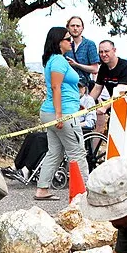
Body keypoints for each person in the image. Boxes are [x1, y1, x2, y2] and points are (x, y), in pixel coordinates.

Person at [37, 27, 91, 201]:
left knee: (55, 152)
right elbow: (56, 87)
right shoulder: (59, 60)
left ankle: (42, 189)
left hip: (50, 112)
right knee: (77, 152)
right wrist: (60, 114)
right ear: (59, 42)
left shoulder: (53, 60)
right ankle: (87, 192)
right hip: (63, 113)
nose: (71, 41)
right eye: (68, 39)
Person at [90, 40, 127, 168]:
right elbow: (97, 88)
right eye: (101, 52)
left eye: (106, 51)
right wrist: (87, 104)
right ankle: (119, 168)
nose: (103, 54)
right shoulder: (103, 68)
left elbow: (121, 92)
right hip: (116, 106)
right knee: (116, 137)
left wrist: (104, 107)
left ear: (114, 51)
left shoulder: (125, 67)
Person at [64, 16, 100, 92]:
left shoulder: (89, 44)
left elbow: (95, 68)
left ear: (82, 28)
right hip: (68, 86)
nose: (75, 28)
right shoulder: (66, 45)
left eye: (78, 26)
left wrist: (76, 65)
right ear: (68, 28)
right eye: (72, 26)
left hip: (84, 86)